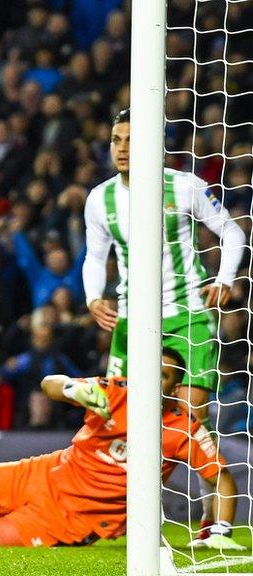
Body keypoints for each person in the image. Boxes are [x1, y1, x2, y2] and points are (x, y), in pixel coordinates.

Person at [83, 108, 245, 535]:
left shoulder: (186, 186)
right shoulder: (100, 198)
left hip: (187, 314)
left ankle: (214, 517)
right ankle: (107, 511)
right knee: (117, 416)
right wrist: (92, 297)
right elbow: (94, 257)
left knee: (192, 413)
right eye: (116, 140)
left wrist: (225, 280)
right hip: (132, 322)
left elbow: (233, 233)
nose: (122, 148)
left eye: (132, 140)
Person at [0, 349, 243, 550]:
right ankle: (1, 515)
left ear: (174, 388)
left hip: (78, 517)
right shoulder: (114, 390)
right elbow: (49, 384)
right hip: (47, 473)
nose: (151, 377)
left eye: (162, 375)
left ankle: (0, 526)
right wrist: (73, 389)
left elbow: (222, 478)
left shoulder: (182, 428)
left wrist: (222, 529)